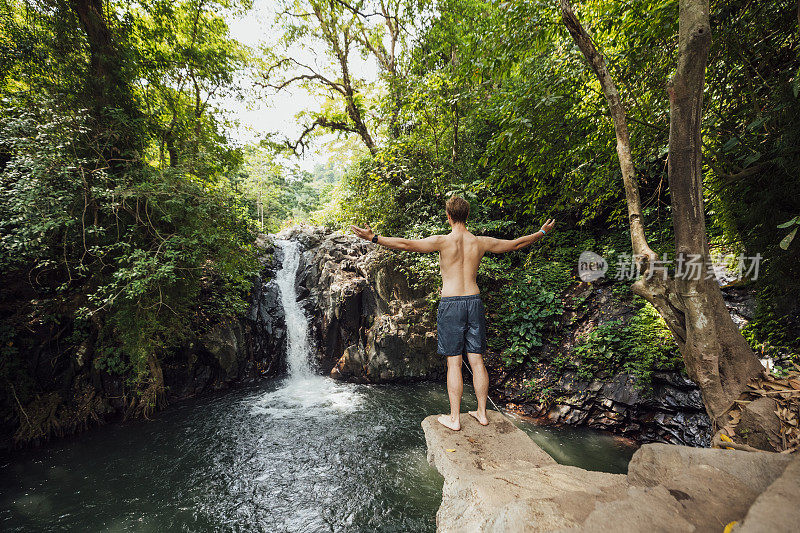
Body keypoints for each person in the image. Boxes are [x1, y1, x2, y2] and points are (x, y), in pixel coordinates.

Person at [351, 196, 556, 431]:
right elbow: (516, 244)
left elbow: (406, 244)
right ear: (467, 216)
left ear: (448, 216)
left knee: (454, 363)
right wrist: (541, 232)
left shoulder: (442, 241)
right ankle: (481, 413)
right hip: (474, 301)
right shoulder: (480, 242)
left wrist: (374, 237)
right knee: (477, 360)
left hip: (451, 303)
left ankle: (455, 418)